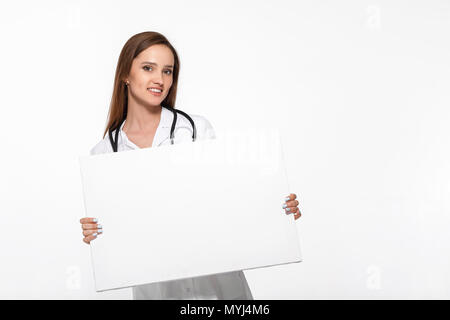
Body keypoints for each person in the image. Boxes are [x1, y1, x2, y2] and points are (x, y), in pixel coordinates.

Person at [79, 31, 302, 300]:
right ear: (126, 74)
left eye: (168, 71)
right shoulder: (104, 155)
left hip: (219, 292)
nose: (159, 80)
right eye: (148, 68)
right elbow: (118, 237)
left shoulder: (195, 130)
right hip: (158, 293)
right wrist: (97, 231)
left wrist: (274, 207)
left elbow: (230, 196)